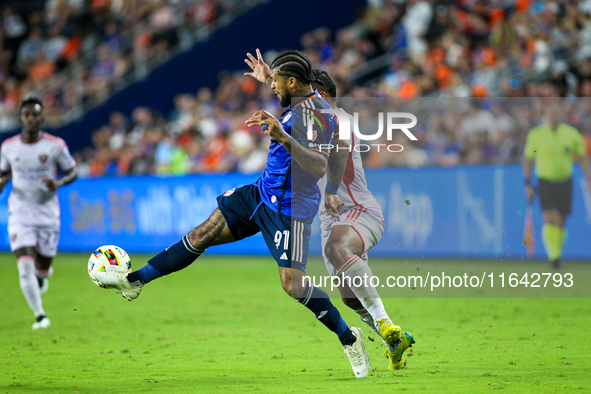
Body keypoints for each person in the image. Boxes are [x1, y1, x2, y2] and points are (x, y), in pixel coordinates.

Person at [100, 49, 372, 378]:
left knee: (292, 285)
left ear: (292, 81)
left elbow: (316, 166)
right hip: (259, 194)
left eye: (275, 81)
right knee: (202, 234)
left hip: (290, 210)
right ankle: (134, 281)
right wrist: (266, 80)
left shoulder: (320, 116)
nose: (272, 87)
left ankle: (349, 338)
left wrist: (282, 136)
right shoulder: (297, 103)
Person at [310, 69, 415, 370]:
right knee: (350, 298)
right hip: (330, 220)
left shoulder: (340, 120)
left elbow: (337, 151)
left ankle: (383, 323)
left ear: (325, 97)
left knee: (335, 250)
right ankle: (394, 342)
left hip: (358, 210)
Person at [0, 97, 78, 329]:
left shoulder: (55, 145)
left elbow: (72, 171)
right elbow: (4, 172)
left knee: (42, 267)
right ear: (21, 118)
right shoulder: (8, 147)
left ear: (43, 118)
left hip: (47, 214)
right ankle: (40, 315)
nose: (31, 119)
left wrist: (59, 182)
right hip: (20, 213)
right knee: (24, 265)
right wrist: (2, 181)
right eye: (27, 115)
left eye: (36, 115)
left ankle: (42, 275)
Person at [523, 104, 591, 269]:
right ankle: (554, 257)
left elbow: (582, 157)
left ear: (560, 115)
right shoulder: (536, 134)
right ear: (545, 116)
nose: (553, 117)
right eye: (550, 113)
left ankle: (557, 255)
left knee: (561, 220)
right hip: (545, 181)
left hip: (565, 181)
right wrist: (527, 183)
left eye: (555, 113)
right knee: (549, 217)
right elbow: (528, 159)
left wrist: (589, 178)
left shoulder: (572, 134)